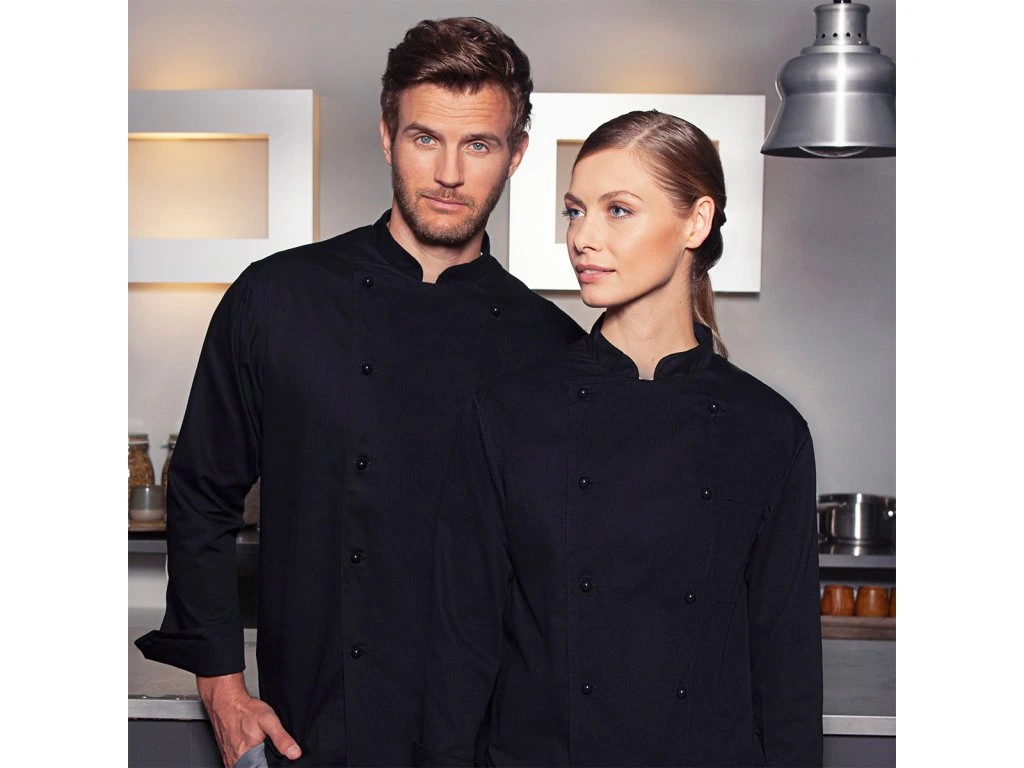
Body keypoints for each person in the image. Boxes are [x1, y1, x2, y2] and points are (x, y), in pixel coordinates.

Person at [134, 16, 583, 768]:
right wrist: (221, 686)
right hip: (313, 726)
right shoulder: (276, 299)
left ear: (517, 154)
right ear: (386, 137)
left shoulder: (554, 347)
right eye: (424, 138)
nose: (449, 173)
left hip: (488, 740)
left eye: (479, 144)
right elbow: (203, 493)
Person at [416, 110, 823, 767]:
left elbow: (787, 672)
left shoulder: (768, 431)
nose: (583, 237)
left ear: (695, 222)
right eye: (575, 212)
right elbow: (461, 648)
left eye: (618, 211)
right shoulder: (508, 415)